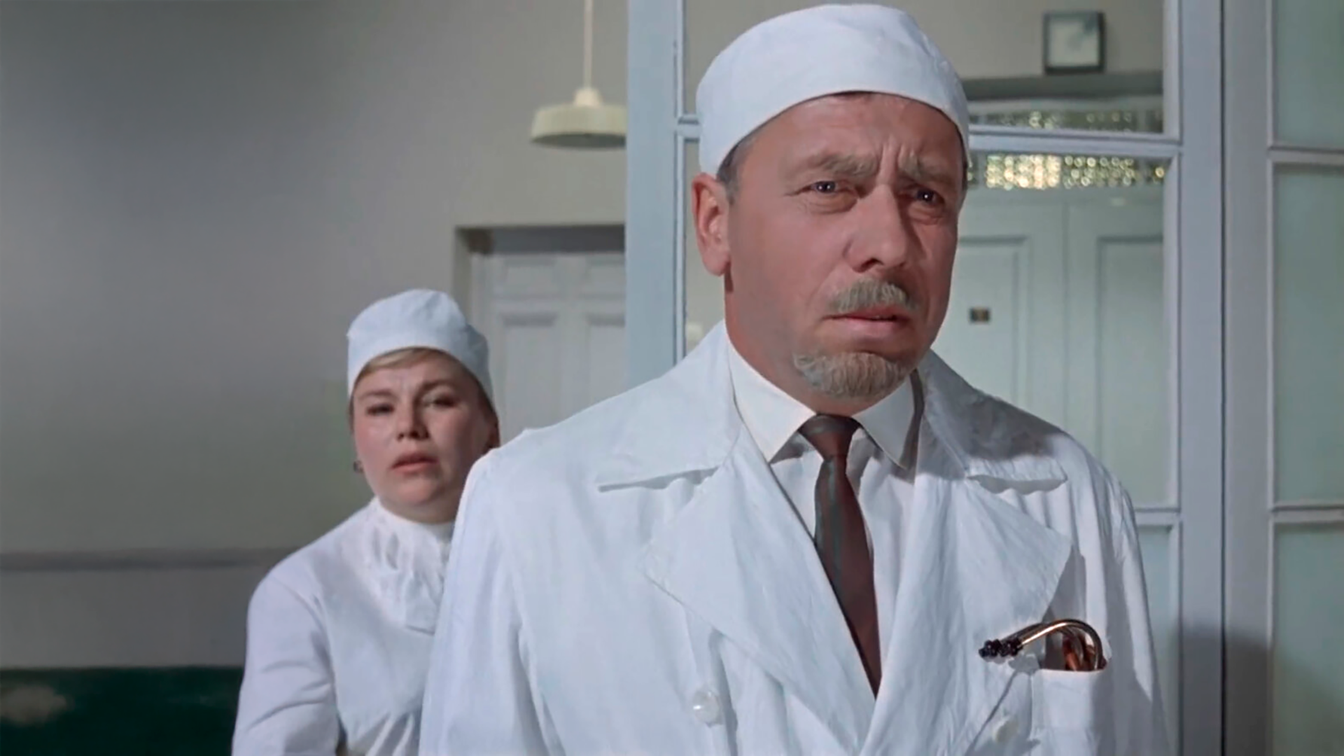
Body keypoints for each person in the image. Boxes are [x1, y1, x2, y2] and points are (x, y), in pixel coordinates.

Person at [418, 5, 1168, 755]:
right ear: (715, 222)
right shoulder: (535, 508)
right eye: (830, 187)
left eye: (927, 195)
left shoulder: (1068, 493)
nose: (889, 244)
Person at [233, 289, 499, 756]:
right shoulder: (305, 591)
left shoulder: (541, 560)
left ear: (489, 427)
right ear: (355, 437)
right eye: (380, 408)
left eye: (438, 401)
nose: (408, 427)